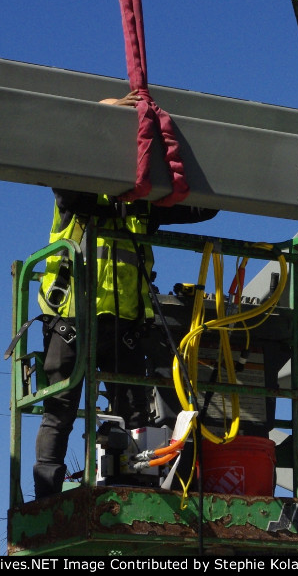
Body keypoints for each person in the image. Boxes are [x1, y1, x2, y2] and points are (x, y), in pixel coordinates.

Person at [32, 92, 219, 501]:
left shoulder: (142, 203)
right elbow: (65, 178)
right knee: (60, 409)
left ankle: (130, 485)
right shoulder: (78, 192)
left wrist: (169, 142)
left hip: (125, 322)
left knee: (131, 411)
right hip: (72, 319)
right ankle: (47, 495)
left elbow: (205, 208)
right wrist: (110, 112)